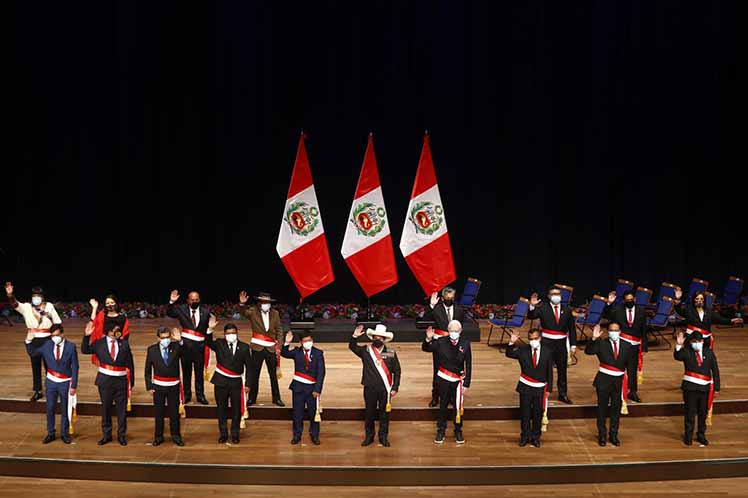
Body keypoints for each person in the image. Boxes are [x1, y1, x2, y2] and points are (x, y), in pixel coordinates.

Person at [6, 282, 62, 401]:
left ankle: (52, 390)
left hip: (48, 339)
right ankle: (38, 391)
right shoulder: (27, 307)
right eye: (34, 296)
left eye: (38, 296)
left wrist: (55, 337)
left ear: (42, 297)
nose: (36, 298)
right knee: (35, 366)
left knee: (50, 366)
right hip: (33, 339)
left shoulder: (49, 306)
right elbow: (15, 304)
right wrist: (10, 295)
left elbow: (57, 322)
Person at [82, 321, 135, 446]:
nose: (117, 333)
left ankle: (121, 436)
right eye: (115, 330)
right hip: (105, 381)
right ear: (108, 331)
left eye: (119, 330)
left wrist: (130, 383)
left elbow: (130, 364)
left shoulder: (125, 344)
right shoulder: (99, 343)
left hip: (121, 382)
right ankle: (107, 435)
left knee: (121, 411)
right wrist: (86, 336)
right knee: (106, 409)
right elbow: (85, 350)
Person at [349, 324, 401, 447]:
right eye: (375, 337)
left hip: (385, 390)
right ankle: (369, 437)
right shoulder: (366, 351)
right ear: (372, 338)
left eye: (380, 337)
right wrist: (354, 336)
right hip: (370, 388)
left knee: (384, 414)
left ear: (384, 339)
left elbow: (397, 371)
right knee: (369, 414)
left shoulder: (391, 353)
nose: (377, 339)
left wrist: (395, 387)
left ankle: (383, 437)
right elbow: (352, 347)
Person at [25, 324, 78, 444]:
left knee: (65, 409)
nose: (55, 338)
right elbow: (33, 353)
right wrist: (28, 341)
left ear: (62, 334)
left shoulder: (71, 347)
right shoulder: (47, 345)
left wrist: (74, 385)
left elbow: (75, 367)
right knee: (50, 408)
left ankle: (64, 434)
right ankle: (51, 433)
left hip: (65, 383)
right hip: (51, 383)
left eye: (57, 335)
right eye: (53, 336)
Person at [422, 319, 471, 445]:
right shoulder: (440, 342)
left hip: (457, 381)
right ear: (448, 331)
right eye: (452, 330)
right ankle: (441, 430)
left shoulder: (465, 343)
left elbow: (469, 364)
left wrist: (466, 383)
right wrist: (428, 339)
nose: (454, 332)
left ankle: (458, 430)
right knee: (443, 406)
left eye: (456, 330)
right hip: (443, 379)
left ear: (460, 331)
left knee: (457, 406)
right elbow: (426, 348)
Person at [205, 320, 252, 444]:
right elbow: (208, 342)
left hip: (236, 383)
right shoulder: (219, 344)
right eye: (228, 333)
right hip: (221, 382)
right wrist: (209, 330)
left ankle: (235, 434)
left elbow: (249, 367)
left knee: (236, 410)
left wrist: (248, 384)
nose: (231, 335)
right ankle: (223, 433)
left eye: (233, 333)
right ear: (224, 334)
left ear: (237, 333)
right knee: (222, 409)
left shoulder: (245, 347)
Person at [585, 322, 632, 447]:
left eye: (616, 330)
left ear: (620, 331)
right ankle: (602, 435)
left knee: (616, 410)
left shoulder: (627, 345)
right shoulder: (601, 343)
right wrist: (593, 339)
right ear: (608, 331)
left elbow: (630, 366)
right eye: (611, 330)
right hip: (603, 381)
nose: (614, 332)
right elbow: (588, 351)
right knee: (602, 409)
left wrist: (630, 386)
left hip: (619, 382)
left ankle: (614, 435)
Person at [527, 287, 576, 404]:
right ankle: (543, 392)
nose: (556, 296)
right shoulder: (542, 307)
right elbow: (531, 316)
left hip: (561, 343)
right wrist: (532, 306)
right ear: (549, 296)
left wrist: (573, 345)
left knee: (562, 369)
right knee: (544, 368)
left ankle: (562, 394)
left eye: (558, 294)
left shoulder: (567, 310)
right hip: (547, 342)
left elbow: (572, 329)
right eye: (553, 294)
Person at [506, 328, 553, 447]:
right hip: (525, 386)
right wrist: (511, 343)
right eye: (531, 339)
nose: (533, 341)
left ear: (540, 338)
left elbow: (550, 372)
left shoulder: (547, 351)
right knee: (525, 413)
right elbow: (509, 353)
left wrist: (549, 389)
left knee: (537, 413)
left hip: (540, 388)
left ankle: (536, 437)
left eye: (535, 339)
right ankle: (525, 436)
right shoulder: (523, 349)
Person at [239, 291, 285, 407]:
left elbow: (279, 330)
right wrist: (241, 304)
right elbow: (243, 312)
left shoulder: (275, 313)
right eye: (263, 302)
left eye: (267, 302)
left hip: (271, 348)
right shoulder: (253, 311)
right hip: (257, 348)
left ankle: (276, 398)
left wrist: (279, 346)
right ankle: (252, 399)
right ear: (259, 303)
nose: (265, 304)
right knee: (255, 375)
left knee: (273, 376)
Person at [674, 330, 720, 446]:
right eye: (694, 341)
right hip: (690, 388)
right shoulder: (686, 352)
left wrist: (717, 388)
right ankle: (688, 436)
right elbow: (677, 356)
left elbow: (715, 370)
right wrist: (679, 344)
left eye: (699, 341)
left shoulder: (709, 353)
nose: (697, 343)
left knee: (702, 413)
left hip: (704, 389)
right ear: (690, 342)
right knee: (690, 413)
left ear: (702, 341)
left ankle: (701, 435)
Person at [422, 287, 466, 407]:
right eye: (447, 298)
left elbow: (461, 326)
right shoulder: (436, 309)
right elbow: (424, 319)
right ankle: (435, 396)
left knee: (453, 368)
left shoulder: (459, 310)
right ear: (442, 298)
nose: (449, 300)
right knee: (437, 370)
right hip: (440, 344)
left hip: (455, 343)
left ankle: (451, 396)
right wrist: (431, 305)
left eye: (451, 298)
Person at [167, 289, 211, 405]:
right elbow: (170, 313)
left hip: (200, 348)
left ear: (199, 300)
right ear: (188, 301)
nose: (194, 301)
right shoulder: (182, 310)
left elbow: (207, 329)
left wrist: (207, 344)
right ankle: (187, 395)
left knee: (199, 374)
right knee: (186, 373)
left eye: (196, 300)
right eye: (192, 300)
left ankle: (200, 395)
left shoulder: (206, 312)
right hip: (185, 348)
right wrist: (172, 301)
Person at [281, 330, 325, 445]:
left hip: (312, 390)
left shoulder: (318, 353)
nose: (308, 343)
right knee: (297, 413)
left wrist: (317, 389)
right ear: (300, 342)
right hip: (298, 388)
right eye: (305, 341)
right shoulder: (296, 352)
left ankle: (314, 435)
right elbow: (284, 353)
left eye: (310, 340)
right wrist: (286, 343)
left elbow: (321, 373)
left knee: (313, 413)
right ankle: (297, 435)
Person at [604, 290, 648, 402]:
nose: (629, 301)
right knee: (619, 368)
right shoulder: (617, 310)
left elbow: (644, 330)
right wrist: (609, 304)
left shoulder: (641, 311)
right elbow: (606, 314)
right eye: (627, 300)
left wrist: (644, 347)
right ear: (624, 300)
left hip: (635, 346)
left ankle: (632, 392)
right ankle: (616, 391)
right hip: (621, 344)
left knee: (632, 370)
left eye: (631, 300)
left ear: (635, 300)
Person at [144, 327, 185, 446]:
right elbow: (147, 370)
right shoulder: (151, 350)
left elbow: (187, 353)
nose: (166, 340)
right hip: (158, 387)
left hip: (173, 386)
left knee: (174, 413)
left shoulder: (177, 347)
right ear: (158, 338)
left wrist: (180, 341)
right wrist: (149, 386)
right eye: (163, 338)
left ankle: (176, 436)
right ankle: (158, 436)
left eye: (168, 337)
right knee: (159, 413)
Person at [674, 288, 743, 350]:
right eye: (697, 299)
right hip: (691, 339)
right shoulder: (688, 310)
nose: (699, 301)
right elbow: (679, 310)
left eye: (701, 299)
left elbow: (719, 319)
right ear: (694, 300)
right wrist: (677, 300)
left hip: (706, 340)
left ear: (704, 300)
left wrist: (731, 321)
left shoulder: (709, 311)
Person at [89, 295, 131, 362]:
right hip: (104, 346)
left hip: (117, 346)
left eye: (112, 302)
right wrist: (94, 308)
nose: (110, 305)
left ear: (116, 303)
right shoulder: (102, 316)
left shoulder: (122, 318)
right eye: (107, 303)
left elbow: (125, 334)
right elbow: (93, 322)